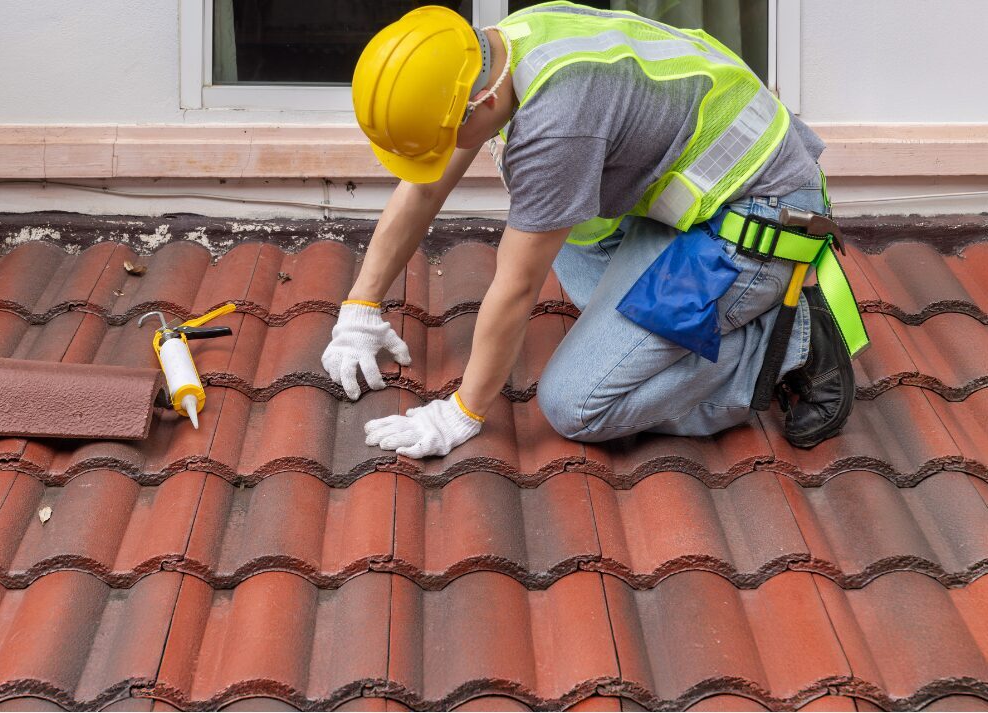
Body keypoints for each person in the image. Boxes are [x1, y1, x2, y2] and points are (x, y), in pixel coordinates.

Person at [320, 1, 868, 459]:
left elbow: (515, 287)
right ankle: (691, 321)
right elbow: (424, 188)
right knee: (565, 230)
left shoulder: (558, 126)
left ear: (480, 103)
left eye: (447, 138)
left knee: (576, 404)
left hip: (758, 218)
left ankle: (787, 345)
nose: (446, 157)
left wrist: (461, 412)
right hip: (703, 195)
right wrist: (360, 309)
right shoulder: (505, 45)